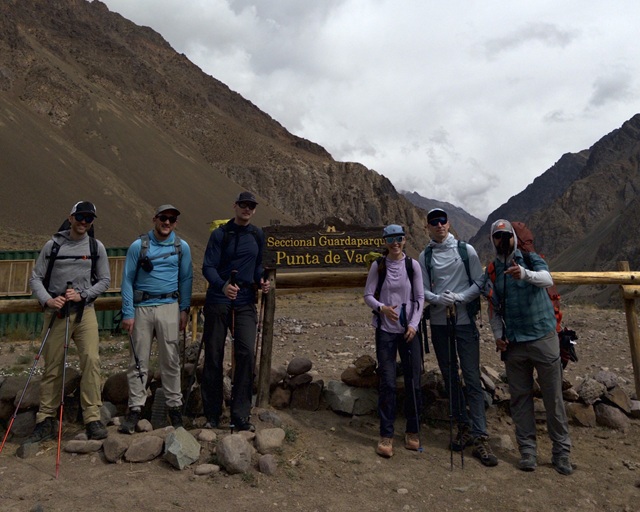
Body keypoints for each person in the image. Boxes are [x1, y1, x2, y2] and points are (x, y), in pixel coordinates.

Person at [486, 219, 573, 475]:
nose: (503, 240)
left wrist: (524, 274)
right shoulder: (493, 270)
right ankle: (527, 451)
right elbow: (493, 307)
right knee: (520, 399)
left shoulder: (531, 259)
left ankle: (561, 453)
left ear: (514, 237)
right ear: (492, 240)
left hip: (543, 337)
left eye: (507, 235)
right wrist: (498, 335)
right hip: (514, 343)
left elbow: (546, 279)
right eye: (498, 236)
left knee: (553, 398)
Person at [26, 201, 111, 443]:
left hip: (85, 312)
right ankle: (46, 419)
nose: (84, 222)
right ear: (71, 217)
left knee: (91, 360)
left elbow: (104, 280)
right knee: (53, 365)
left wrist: (83, 295)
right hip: (57, 313)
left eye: (89, 218)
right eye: (80, 217)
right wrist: (48, 300)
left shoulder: (96, 247)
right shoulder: (52, 246)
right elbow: (36, 278)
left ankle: (92, 418)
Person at [418, 208, 498, 467]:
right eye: (434, 222)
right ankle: (463, 427)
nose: (439, 225)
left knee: (472, 377)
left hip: (464, 322)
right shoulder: (425, 256)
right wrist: (438, 299)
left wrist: (460, 298)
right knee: (450, 376)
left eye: (442, 221)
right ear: (428, 227)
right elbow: (421, 289)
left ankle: (480, 434)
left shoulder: (466, 251)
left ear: (448, 223)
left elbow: (480, 282)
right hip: (439, 323)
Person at [119, 204, 193, 433]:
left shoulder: (182, 247)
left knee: (170, 359)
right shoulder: (138, 246)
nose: (167, 222)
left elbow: (186, 279)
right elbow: (127, 280)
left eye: (172, 219)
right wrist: (128, 312)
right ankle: (135, 408)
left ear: (176, 223)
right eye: (163, 218)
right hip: (142, 308)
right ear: (155, 219)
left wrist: (184, 309)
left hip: (169, 306)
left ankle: (174, 408)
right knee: (138, 359)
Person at [201, 191, 270, 432]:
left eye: (251, 206)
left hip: (246, 301)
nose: (247, 209)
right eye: (243, 204)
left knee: (246, 353)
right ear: (235, 206)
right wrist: (222, 286)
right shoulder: (220, 234)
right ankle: (212, 413)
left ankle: (240, 415)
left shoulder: (257, 235)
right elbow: (208, 267)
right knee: (213, 355)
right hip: (218, 300)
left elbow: (258, 265)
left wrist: (261, 280)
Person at [363, 224, 424, 458]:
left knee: (413, 381)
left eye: (398, 238)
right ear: (385, 241)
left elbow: (420, 298)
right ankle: (386, 434)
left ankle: (413, 430)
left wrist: (413, 325)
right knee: (387, 383)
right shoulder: (378, 266)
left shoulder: (412, 265)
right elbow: (368, 295)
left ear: (404, 240)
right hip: (385, 332)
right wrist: (382, 308)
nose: (395, 243)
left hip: (409, 331)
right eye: (390, 239)